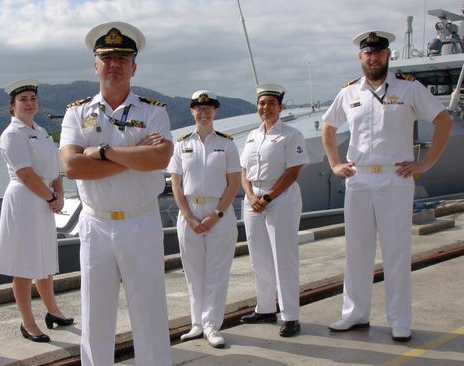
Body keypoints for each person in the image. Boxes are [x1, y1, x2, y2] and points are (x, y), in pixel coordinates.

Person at [322, 31, 453, 342]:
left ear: (388, 55)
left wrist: (426, 164)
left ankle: (399, 321)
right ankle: (354, 314)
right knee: (357, 251)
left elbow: (443, 120)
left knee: (396, 252)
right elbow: (328, 126)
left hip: (395, 179)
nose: (373, 57)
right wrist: (334, 163)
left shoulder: (409, 88)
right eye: (368, 52)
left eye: (379, 51)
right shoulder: (350, 92)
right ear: (360, 57)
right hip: (359, 179)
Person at [59, 21, 173, 366]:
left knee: (149, 310)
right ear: (96, 65)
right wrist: (135, 155)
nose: (115, 65)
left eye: (122, 58)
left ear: (134, 67)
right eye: (107, 58)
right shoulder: (76, 112)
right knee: (95, 312)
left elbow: (161, 157)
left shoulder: (154, 110)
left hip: (141, 221)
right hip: (96, 224)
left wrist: (103, 152)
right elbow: (73, 167)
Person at [0, 79, 73, 343]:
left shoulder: (41, 132)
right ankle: (28, 322)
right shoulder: (13, 134)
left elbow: (55, 168)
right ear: (12, 106)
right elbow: (25, 173)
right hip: (25, 199)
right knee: (25, 264)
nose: (29, 103)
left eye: (32, 98)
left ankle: (53, 311)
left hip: (45, 199)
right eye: (23, 99)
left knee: (45, 260)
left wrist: (59, 194)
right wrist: (52, 196)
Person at [167, 90, 240, 348]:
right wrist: (187, 215)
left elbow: (234, 183)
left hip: (218, 211)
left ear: (215, 111)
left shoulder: (227, 143)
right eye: (199, 108)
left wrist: (217, 214)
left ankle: (211, 324)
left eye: (209, 108)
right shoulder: (181, 143)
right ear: (192, 112)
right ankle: (197, 323)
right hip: (189, 212)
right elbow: (176, 184)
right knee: (193, 272)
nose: (204, 112)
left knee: (217, 272)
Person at [239, 84, 309, 338]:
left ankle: (290, 315)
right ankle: (266, 308)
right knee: (259, 258)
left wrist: (268, 197)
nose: (265, 108)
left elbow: (293, 172)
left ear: (280, 107)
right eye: (261, 103)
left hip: (280, 198)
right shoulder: (251, 136)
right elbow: (244, 171)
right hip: (253, 198)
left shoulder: (291, 135)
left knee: (283, 258)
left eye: (270, 103)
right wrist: (250, 195)